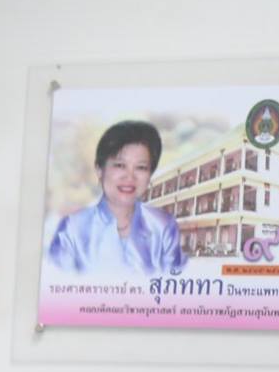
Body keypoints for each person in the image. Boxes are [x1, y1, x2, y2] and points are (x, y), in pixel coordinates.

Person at [44, 119, 186, 278]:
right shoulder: (72, 229)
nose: (130, 176)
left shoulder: (163, 226)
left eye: (141, 167)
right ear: (99, 170)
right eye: (119, 165)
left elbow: (175, 285)